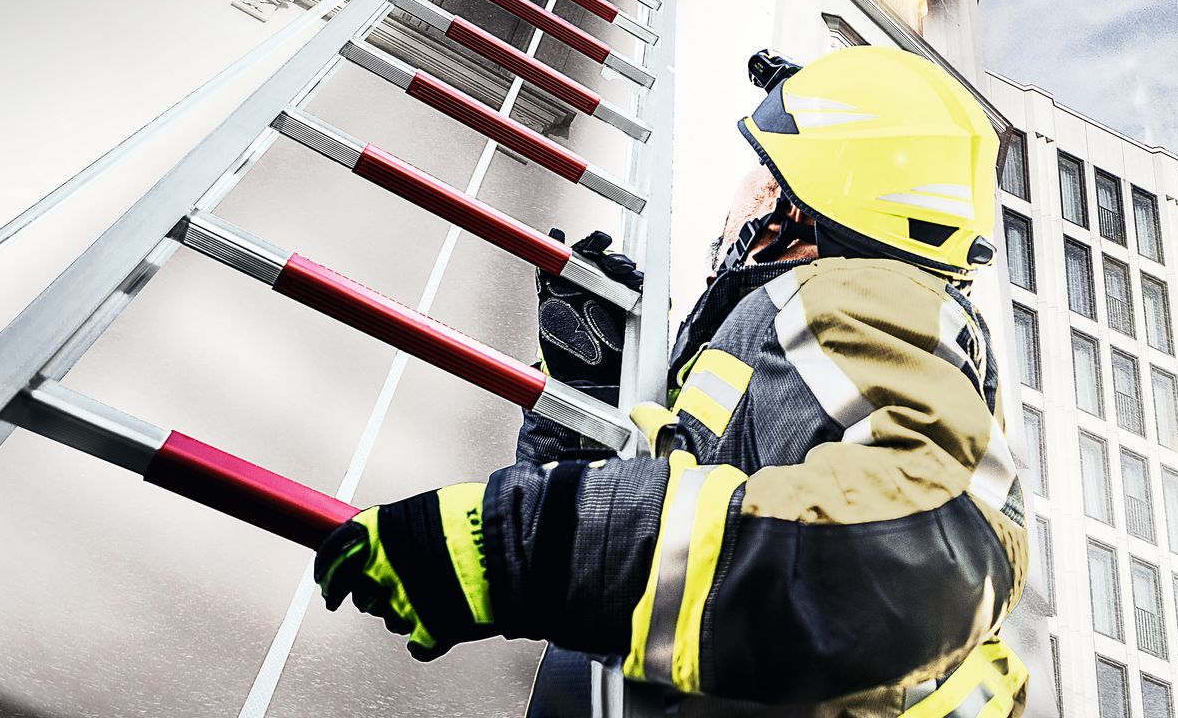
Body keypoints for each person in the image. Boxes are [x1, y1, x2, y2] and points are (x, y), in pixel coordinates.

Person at [315, 46, 1028, 718]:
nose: (735, 210)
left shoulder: (852, 296)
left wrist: (510, 541)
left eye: (764, 183)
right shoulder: (781, 332)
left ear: (814, 211)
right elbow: (675, 554)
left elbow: (928, 545)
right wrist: (591, 396)